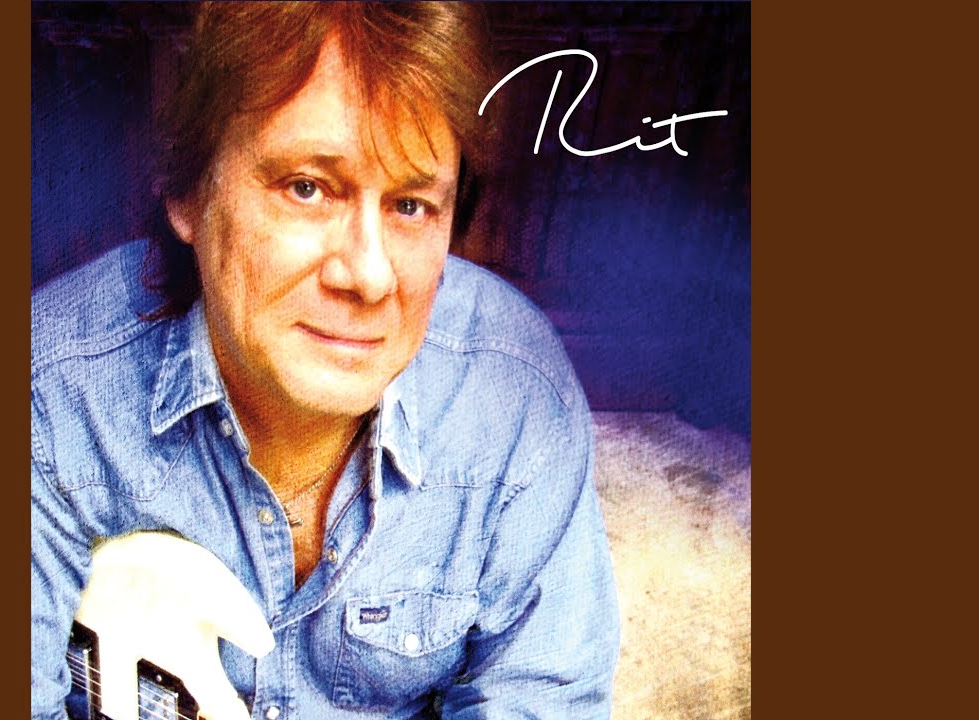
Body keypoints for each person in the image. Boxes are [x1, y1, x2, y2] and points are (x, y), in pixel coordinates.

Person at [31, 3, 620, 718]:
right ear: (186, 194)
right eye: (307, 188)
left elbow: (542, 698)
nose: (368, 276)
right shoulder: (50, 395)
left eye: (410, 206)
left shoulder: (515, 397)